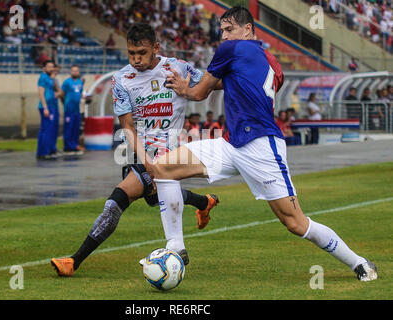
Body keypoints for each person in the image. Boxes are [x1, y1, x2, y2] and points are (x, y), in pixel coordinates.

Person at [146, 6, 377, 282]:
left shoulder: (230, 51)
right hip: (232, 145)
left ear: (248, 29)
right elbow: (237, 81)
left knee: (296, 223)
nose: (224, 36)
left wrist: (184, 88)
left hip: (261, 147)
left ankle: (360, 263)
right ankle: (176, 248)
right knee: (161, 169)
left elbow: (198, 93)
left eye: (229, 29)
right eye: (221, 31)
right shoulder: (272, 62)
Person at [50, 23, 219, 277]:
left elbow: (211, 84)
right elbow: (128, 127)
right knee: (154, 197)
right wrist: (146, 160)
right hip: (140, 152)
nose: (136, 59)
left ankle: (73, 261)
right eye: (131, 53)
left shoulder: (178, 67)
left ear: (156, 48)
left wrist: (234, 79)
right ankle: (204, 201)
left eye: (141, 52)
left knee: (118, 199)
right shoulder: (121, 80)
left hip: (170, 152)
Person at [36, 60, 59, 160]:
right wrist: (45, 107)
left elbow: (58, 91)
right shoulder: (43, 77)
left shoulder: (51, 78)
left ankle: (49, 150)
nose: (51, 68)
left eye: (52, 67)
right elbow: (41, 93)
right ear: (44, 68)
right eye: (49, 67)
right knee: (46, 130)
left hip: (52, 106)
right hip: (46, 107)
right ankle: (43, 152)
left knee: (51, 130)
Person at [61, 65, 85, 155]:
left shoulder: (80, 82)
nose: (75, 72)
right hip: (69, 109)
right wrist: (65, 103)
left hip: (77, 110)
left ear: (78, 72)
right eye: (73, 71)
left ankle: (74, 146)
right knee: (68, 128)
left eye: (76, 71)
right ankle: (67, 147)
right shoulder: (67, 82)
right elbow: (62, 94)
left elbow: (81, 94)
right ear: (70, 72)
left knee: (75, 128)